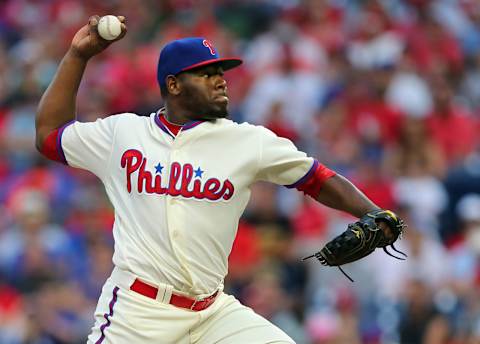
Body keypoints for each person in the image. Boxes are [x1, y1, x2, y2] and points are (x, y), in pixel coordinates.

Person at [35, 15, 404, 344]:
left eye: (220, 72)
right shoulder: (123, 134)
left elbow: (317, 177)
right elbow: (50, 137)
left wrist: (374, 213)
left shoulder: (248, 141)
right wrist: (77, 57)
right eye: (206, 73)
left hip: (212, 313)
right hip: (138, 312)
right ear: (174, 85)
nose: (220, 81)